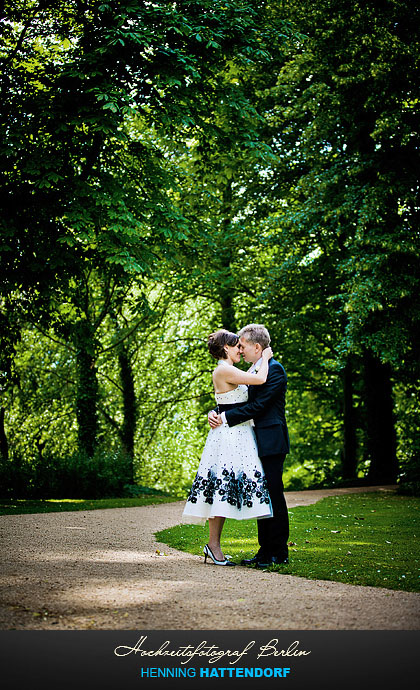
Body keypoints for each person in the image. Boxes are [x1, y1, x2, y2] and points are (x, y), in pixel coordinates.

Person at [182, 329, 274, 566]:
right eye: (236, 346)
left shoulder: (231, 369)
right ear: (226, 348)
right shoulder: (224, 369)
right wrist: (265, 357)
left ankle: (214, 546)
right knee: (221, 488)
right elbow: (260, 378)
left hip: (237, 434)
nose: (240, 350)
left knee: (224, 490)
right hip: (229, 437)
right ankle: (213, 545)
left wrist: (215, 412)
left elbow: (229, 398)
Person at [208, 324, 290, 568]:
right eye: (237, 346)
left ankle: (279, 552)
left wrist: (224, 418)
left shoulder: (274, 370)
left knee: (274, 495)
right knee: (263, 496)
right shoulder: (253, 369)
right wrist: (216, 411)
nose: (240, 351)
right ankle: (265, 550)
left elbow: (258, 407)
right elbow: (233, 399)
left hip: (271, 440)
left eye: (242, 346)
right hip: (254, 440)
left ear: (257, 347)